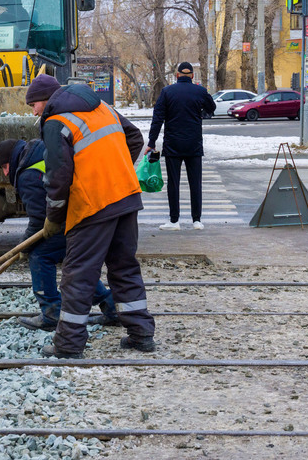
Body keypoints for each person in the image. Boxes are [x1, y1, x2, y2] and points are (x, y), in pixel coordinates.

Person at [27, 74, 155, 359]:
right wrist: (115, 168)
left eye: (33, 104)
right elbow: (134, 137)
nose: (34, 111)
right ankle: (141, 334)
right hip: (126, 196)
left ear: (46, 100)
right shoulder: (103, 107)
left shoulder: (56, 122)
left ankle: (69, 345)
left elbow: (58, 178)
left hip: (94, 205)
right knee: (124, 267)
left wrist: (53, 218)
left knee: (78, 275)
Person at [0, 138, 118, 330]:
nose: (5, 173)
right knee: (76, 263)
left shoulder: (27, 174)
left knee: (40, 256)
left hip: (73, 216)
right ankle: (111, 308)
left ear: (12, 158)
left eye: (5, 166)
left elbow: (39, 219)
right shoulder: (39, 149)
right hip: (89, 211)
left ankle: (51, 312)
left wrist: (25, 246)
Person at [146, 62, 216, 231]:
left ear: (177, 75)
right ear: (192, 76)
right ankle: (196, 220)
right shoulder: (200, 91)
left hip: (173, 144)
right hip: (194, 144)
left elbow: (158, 119)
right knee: (195, 182)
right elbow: (211, 108)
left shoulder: (167, 92)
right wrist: (200, 113)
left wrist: (151, 142)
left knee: (173, 183)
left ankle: (174, 220)